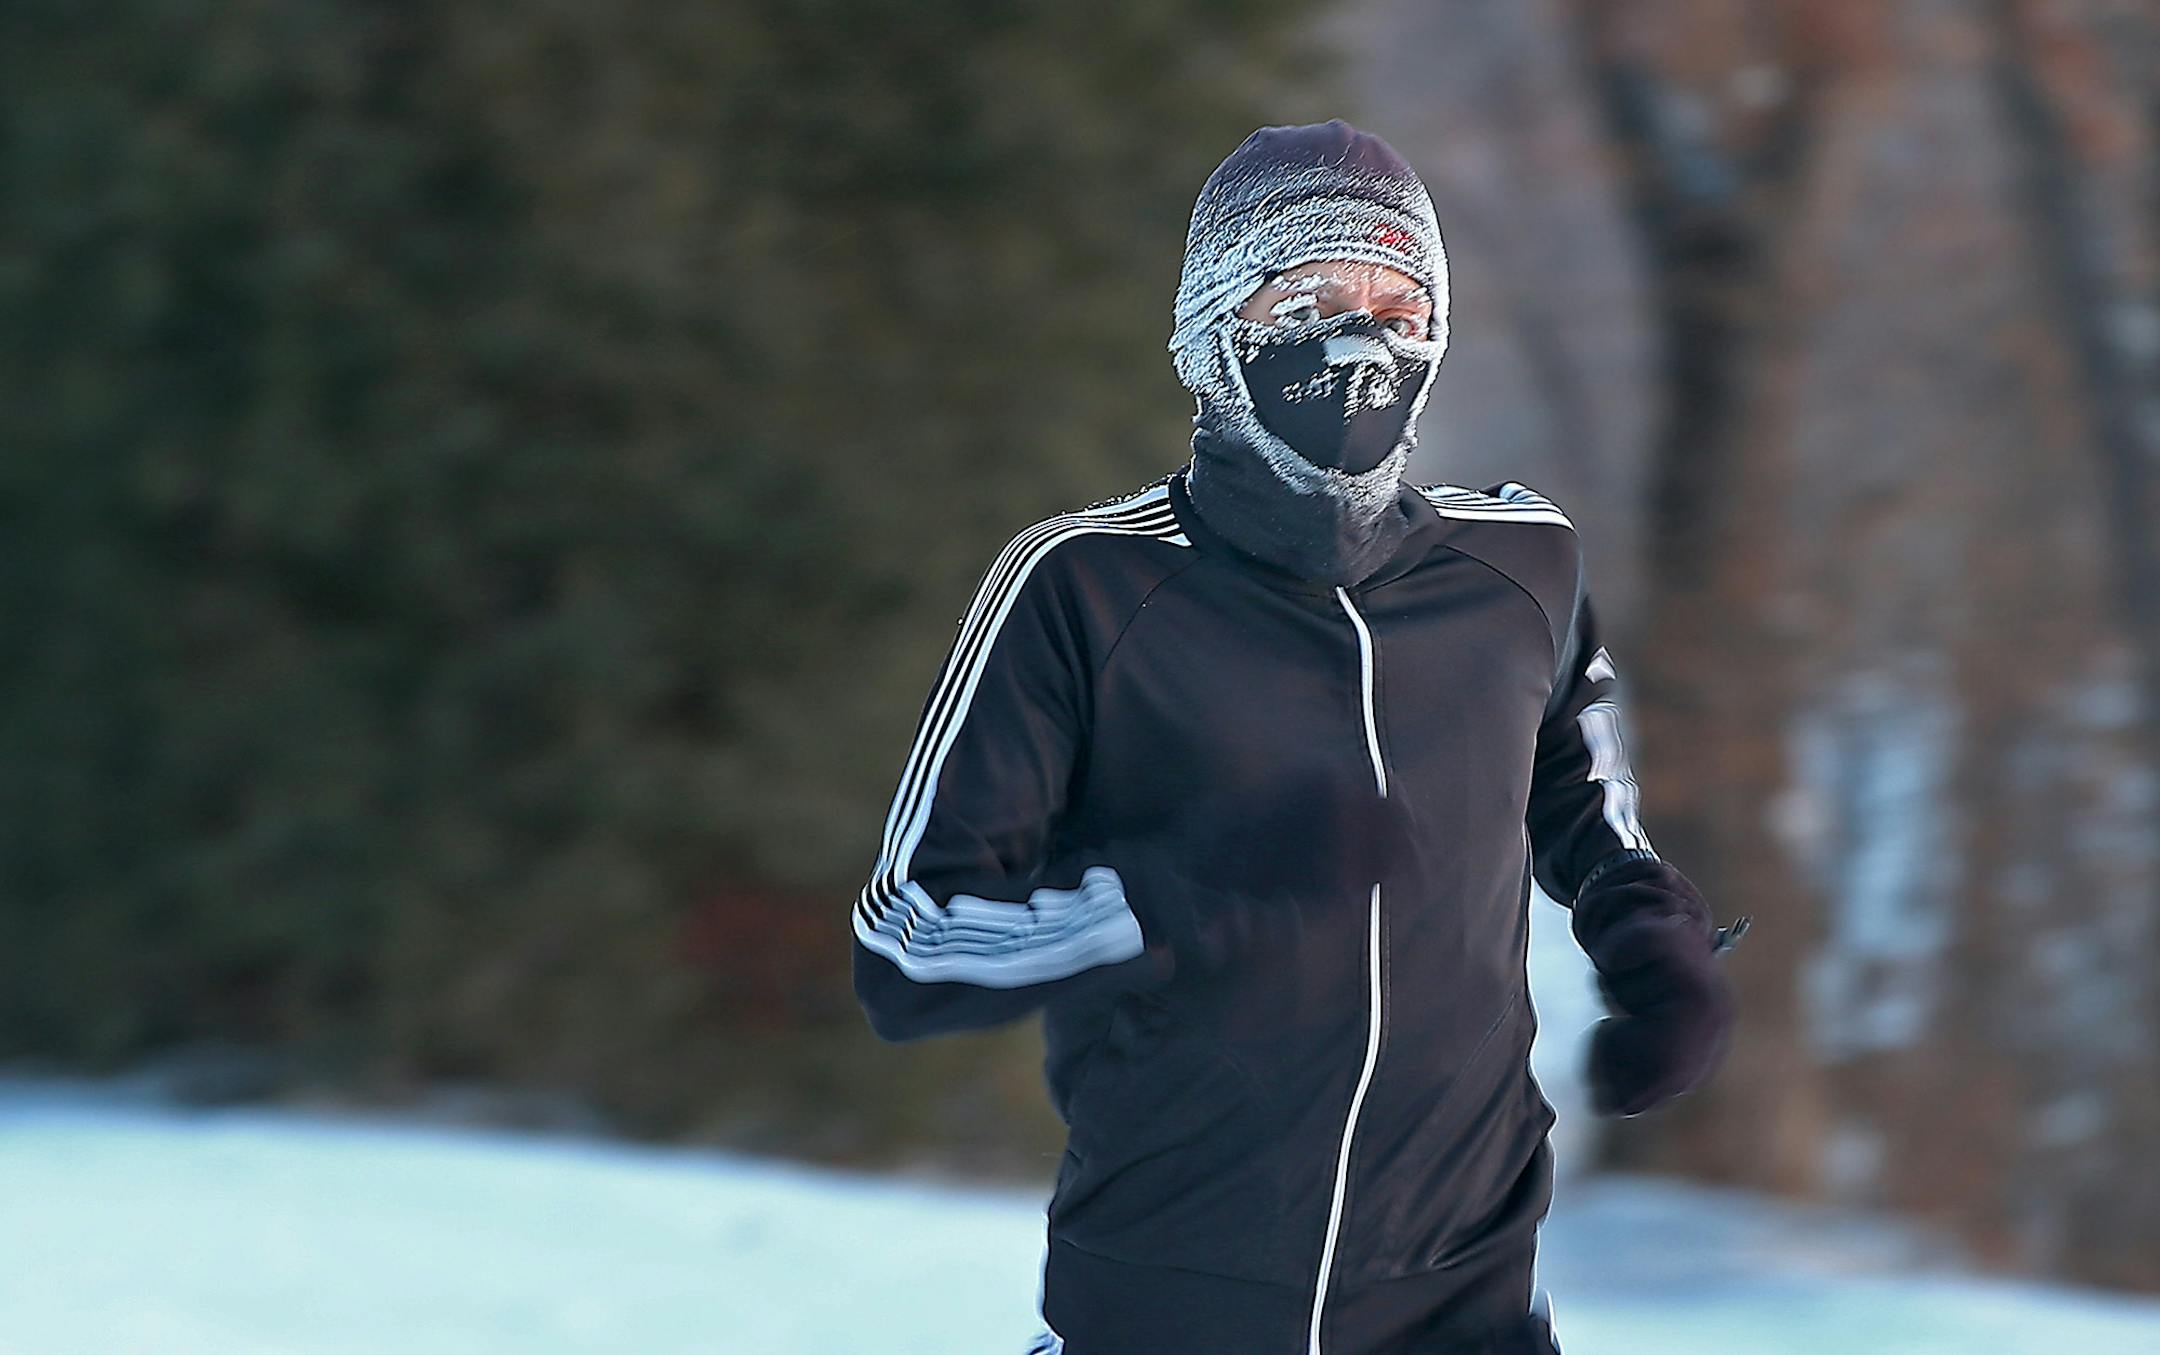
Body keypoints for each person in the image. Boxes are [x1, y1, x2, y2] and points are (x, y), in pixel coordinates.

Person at [849, 119, 1748, 1355]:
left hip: (1466, 1301)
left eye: (1398, 301)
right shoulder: (1087, 589)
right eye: (1312, 295)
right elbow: (911, 943)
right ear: (1220, 326)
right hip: (1167, 1303)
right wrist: (1181, 894)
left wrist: (1653, 931)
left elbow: (1582, 795)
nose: (1361, 339)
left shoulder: (1520, 565)